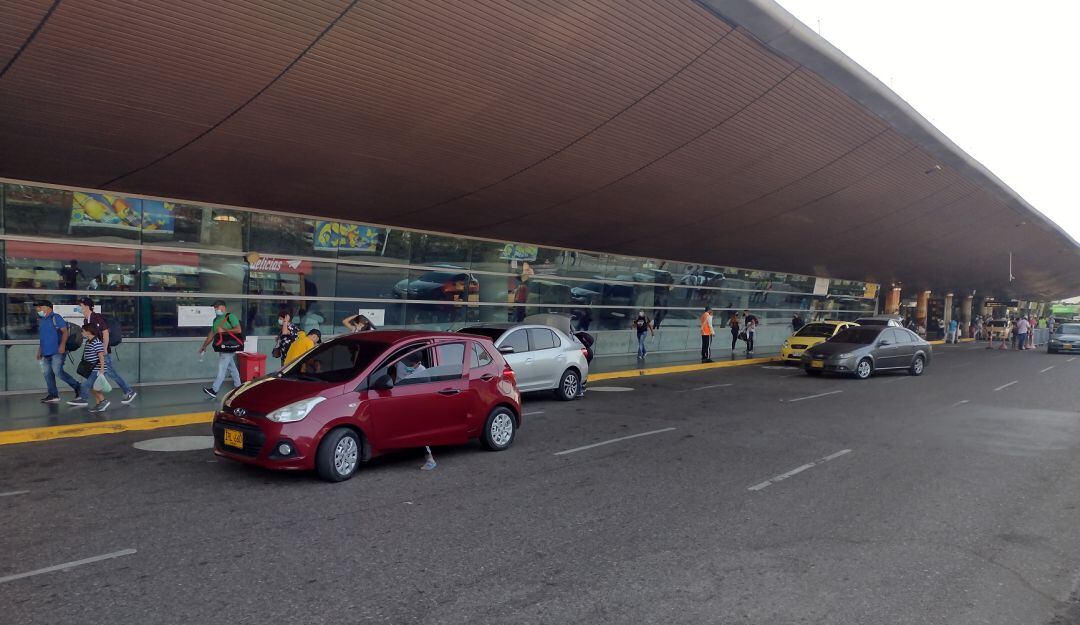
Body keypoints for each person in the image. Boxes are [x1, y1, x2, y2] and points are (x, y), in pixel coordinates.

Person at [78, 297, 136, 404]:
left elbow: (105, 332)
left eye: (81, 306)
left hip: (102, 352)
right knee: (91, 374)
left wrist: (104, 348)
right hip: (94, 352)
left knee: (110, 373)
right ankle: (85, 397)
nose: (79, 308)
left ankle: (128, 391)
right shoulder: (86, 320)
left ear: (86, 306)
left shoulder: (97, 317)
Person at [35, 300, 80, 403]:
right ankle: (53, 395)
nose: (38, 309)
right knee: (47, 374)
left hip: (57, 351)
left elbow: (65, 332)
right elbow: (43, 338)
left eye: (40, 307)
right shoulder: (42, 320)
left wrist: (62, 345)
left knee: (58, 372)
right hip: (46, 352)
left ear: (48, 307)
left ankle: (78, 387)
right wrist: (39, 350)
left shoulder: (56, 317)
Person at [199, 300, 243, 399]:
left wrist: (224, 330)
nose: (215, 310)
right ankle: (239, 388)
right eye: (214, 308)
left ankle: (214, 390)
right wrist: (204, 346)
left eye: (216, 308)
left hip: (229, 347)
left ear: (222, 307)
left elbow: (238, 330)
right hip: (222, 348)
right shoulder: (215, 320)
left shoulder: (230, 316)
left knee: (222, 369)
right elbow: (211, 334)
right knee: (232, 368)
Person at [77, 323, 112, 413]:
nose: (82, 333)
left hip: (96, 369)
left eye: (83, 331)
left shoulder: (96, 342)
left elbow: (101, 356)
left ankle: (103, 401)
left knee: (86, 385)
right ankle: (99, 404)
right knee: (93, 387)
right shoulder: (89, 341)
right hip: (90, 369)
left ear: (88, 332)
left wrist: (101, 369)